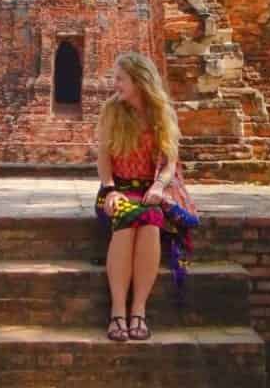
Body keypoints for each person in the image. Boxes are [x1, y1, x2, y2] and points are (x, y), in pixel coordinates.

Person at [95, 51, 199, 343]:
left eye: (120, 79)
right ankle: (118, 309)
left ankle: (138, 308)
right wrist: (109, 189)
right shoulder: (111, 111)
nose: (115, 84)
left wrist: (158, 187)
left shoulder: (161, 112)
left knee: (152, 221)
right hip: (118, 188)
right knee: (126, 222)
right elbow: (103, 158)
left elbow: (169, 162)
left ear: (139, 81)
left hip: (149, 190)